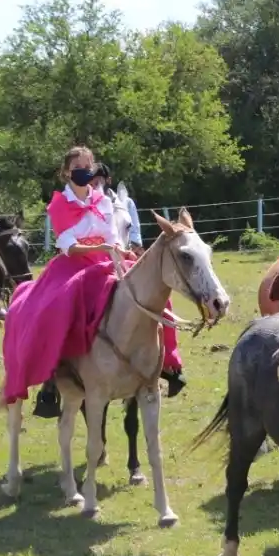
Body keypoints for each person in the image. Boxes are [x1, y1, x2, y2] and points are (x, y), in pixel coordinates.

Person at [2, 146, 184, 410]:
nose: (84, 172)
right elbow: (67, 245)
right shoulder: (59, 204)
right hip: (73, 264)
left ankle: (167, 364)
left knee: (156, 293)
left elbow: (111, 235)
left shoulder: (103, 201)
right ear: (66, 172)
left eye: (88, 167)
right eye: (78, 167)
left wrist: (117, 250)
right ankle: (53, 379)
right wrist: (105, 249)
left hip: (107, 259)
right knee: (56, 306)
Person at [89, 162, 185, 398]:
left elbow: (134, 234)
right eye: (92, 180)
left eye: (99, 179)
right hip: (96, 258)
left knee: (163, 300)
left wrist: (135, 252)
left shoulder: (125, 203)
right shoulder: (86, 203)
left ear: (107, 180)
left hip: (124, 256)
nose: (96, 184)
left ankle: (170, 363)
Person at [91, 163, 143, 253]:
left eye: (98, 183)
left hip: (126, 249)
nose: (95, 187)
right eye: (91, 183)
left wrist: (132, 248)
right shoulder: (87, 206)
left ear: (108, 180)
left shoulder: (126, 203)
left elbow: (135, 232)